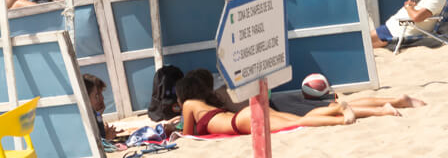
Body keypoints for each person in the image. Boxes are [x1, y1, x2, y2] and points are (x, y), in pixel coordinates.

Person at [176, 76, 413, 134]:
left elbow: (188, 134)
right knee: (298, 122)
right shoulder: (206, 104)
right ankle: (336, 111)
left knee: (299, 122)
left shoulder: (188, 105)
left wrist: (174, 132)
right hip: (245, 116)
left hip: (241, 122)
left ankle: (341, 117)